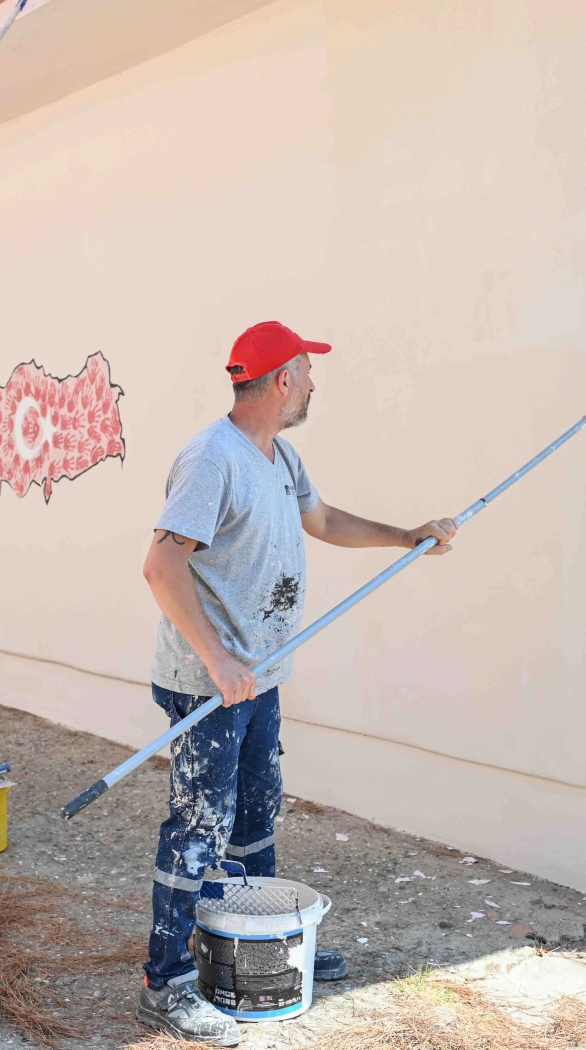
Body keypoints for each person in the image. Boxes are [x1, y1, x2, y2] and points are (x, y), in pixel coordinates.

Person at [134, 321, 459, 1043]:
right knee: (199, 827)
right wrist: (219, 661)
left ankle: (261, 944)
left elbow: (325, 520)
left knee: (253, 818)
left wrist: (407, 535)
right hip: (208, 684)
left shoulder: (281, 456)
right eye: (308, 373)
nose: (314, 385)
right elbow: (162, 567)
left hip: (259, 677)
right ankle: (168, 978)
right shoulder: (210, 460)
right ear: (282, 380)